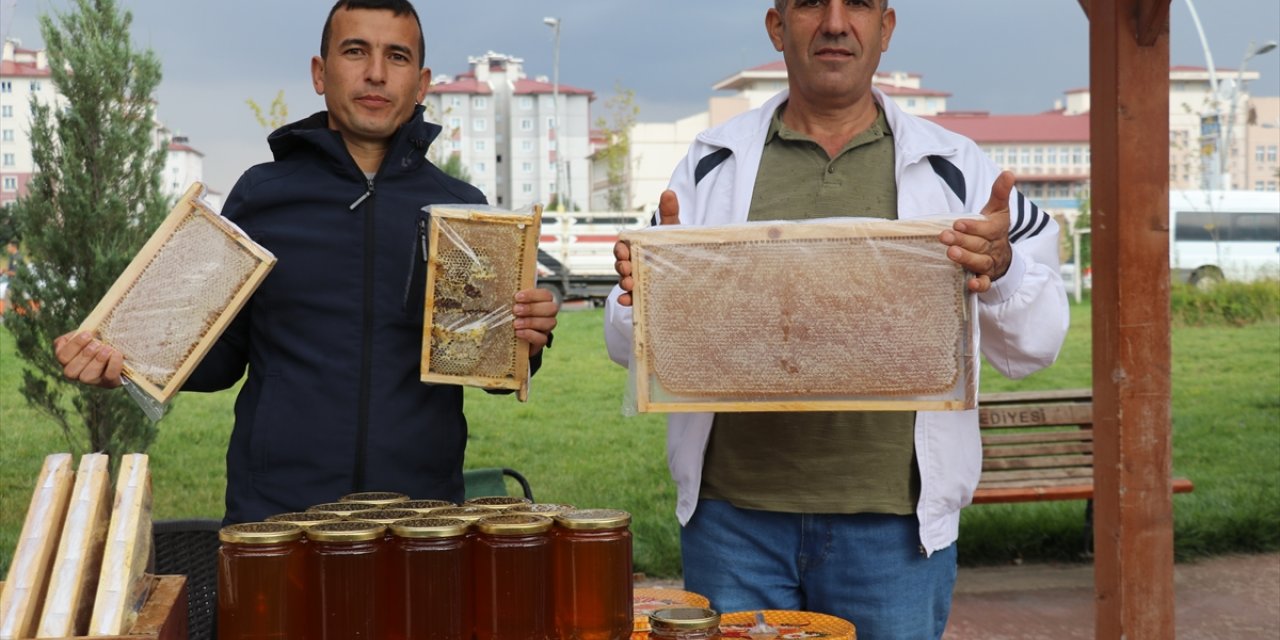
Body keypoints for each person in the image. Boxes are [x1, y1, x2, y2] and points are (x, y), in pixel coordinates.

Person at [605, 1, 1068, 637]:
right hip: (733, 524)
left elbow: (1036, 345)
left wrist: (1005, 264)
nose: (833, 21)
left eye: (858, 4)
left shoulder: (959, 167)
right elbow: (625, 342)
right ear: (776, 26)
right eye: (809, 4)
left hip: (896, 533)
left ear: (887, 27)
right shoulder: (713, 161)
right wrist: (651, 295)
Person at [54, 0, 558, 524]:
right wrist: (126, 359)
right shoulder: (261, 196)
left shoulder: (463, 212)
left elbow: (490, 363)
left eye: (397, 57)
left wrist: (529, 337)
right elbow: (222, 353)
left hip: (420, 521)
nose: (376, 73)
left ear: (422, 82)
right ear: (320, 73)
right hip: (276, 519)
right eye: (355, 51)